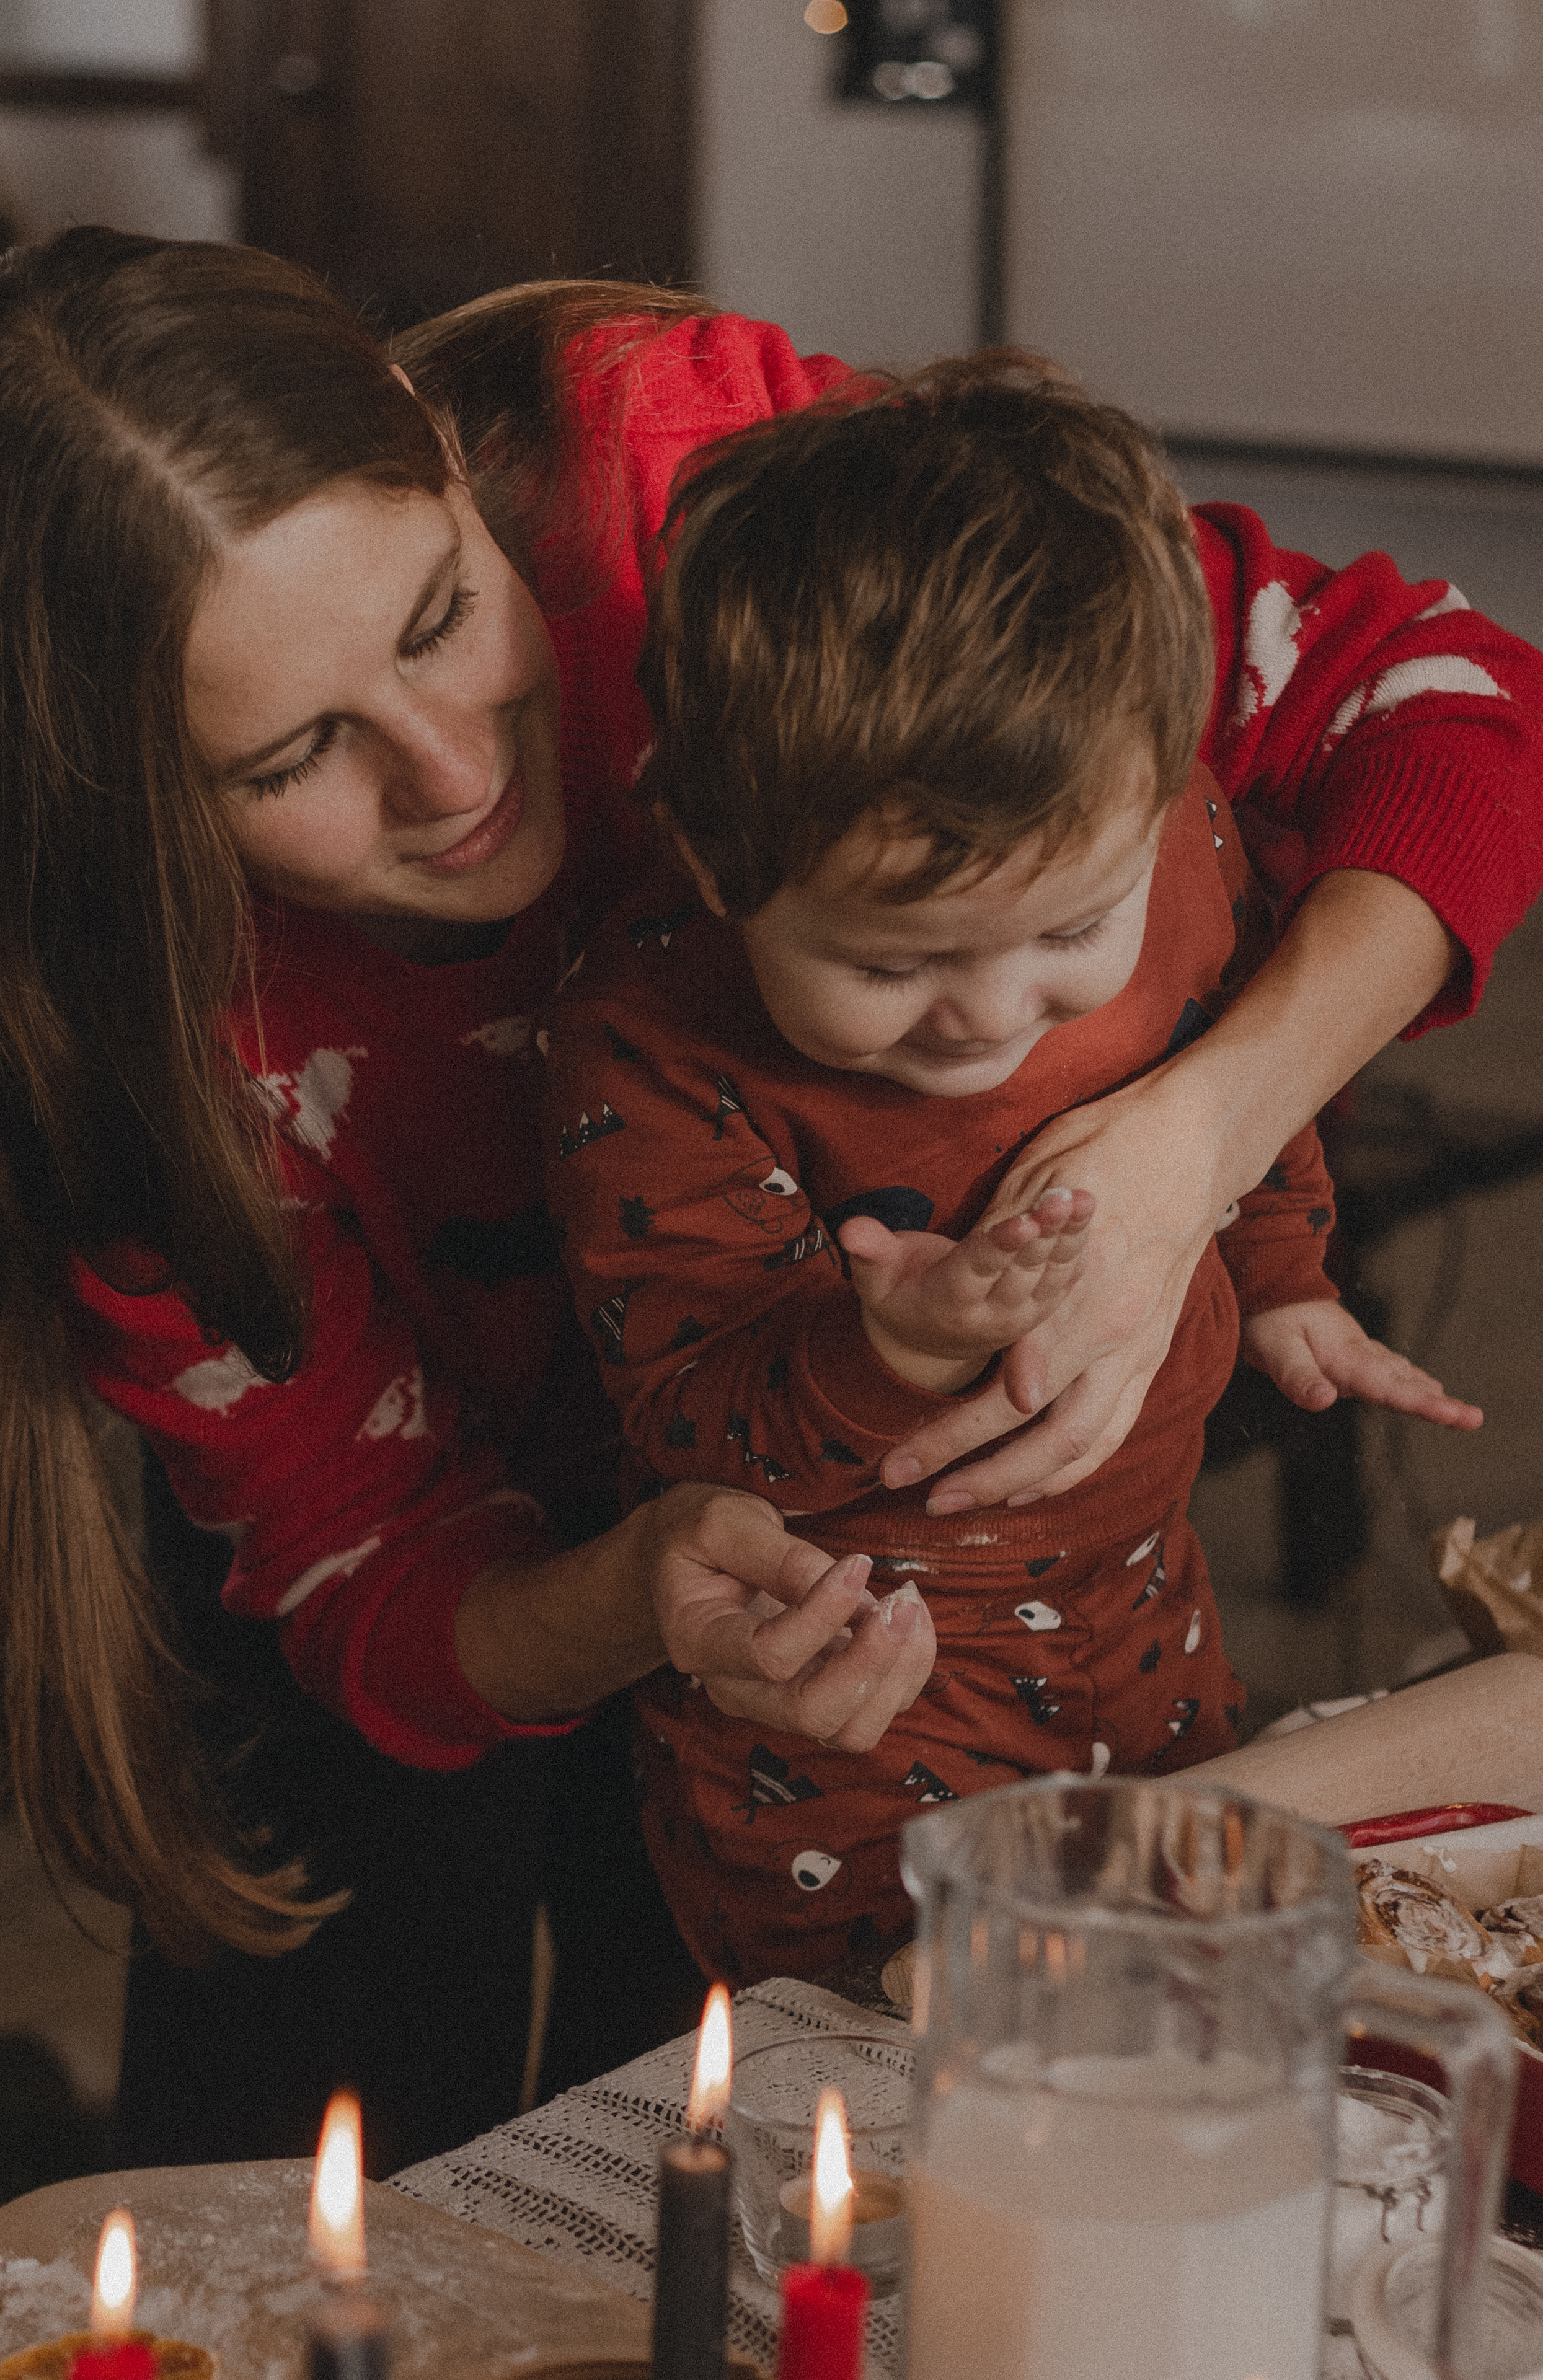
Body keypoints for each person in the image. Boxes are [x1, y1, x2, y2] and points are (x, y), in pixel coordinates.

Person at [0, 228, 1537, 2163]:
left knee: (713, 2142)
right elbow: (374, 1585)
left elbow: (1444, 699)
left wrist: (1197, 1143)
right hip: (464, 1584)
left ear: (446, 459)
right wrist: (620, 1598)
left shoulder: (714, 496)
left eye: (447, 613)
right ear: (118, 815)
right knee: (318, 2114)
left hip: (839, 1655)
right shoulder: (135, 1047)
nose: (456, 778)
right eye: (295, 757)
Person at [544, 361, 1485, 1982]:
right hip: (850, 1737)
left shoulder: (1173, 841)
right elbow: (685, 1412)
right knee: (900, 2098)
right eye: (893, 962)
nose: (989, 1012)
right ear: (713, 860)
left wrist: (1281, 1272)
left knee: (1166, 1996)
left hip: (1152, 1631)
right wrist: (892, 1348)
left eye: (1067, 934)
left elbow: (1241, 1049)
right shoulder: (648, 1050)